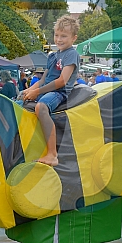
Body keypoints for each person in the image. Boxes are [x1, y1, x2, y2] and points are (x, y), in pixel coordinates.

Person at [21, 15, 80, 166]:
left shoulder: (71, 54)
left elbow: (61, 81)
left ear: (74, 38)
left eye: (64, 36)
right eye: (57, 35)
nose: (59, 39)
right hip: (46, 89)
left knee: (41, 107)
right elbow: (43, 80)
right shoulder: (53, 55)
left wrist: (38, 92)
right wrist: (29, 90)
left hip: (58, 92)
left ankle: (52, 154)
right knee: (18, 102)